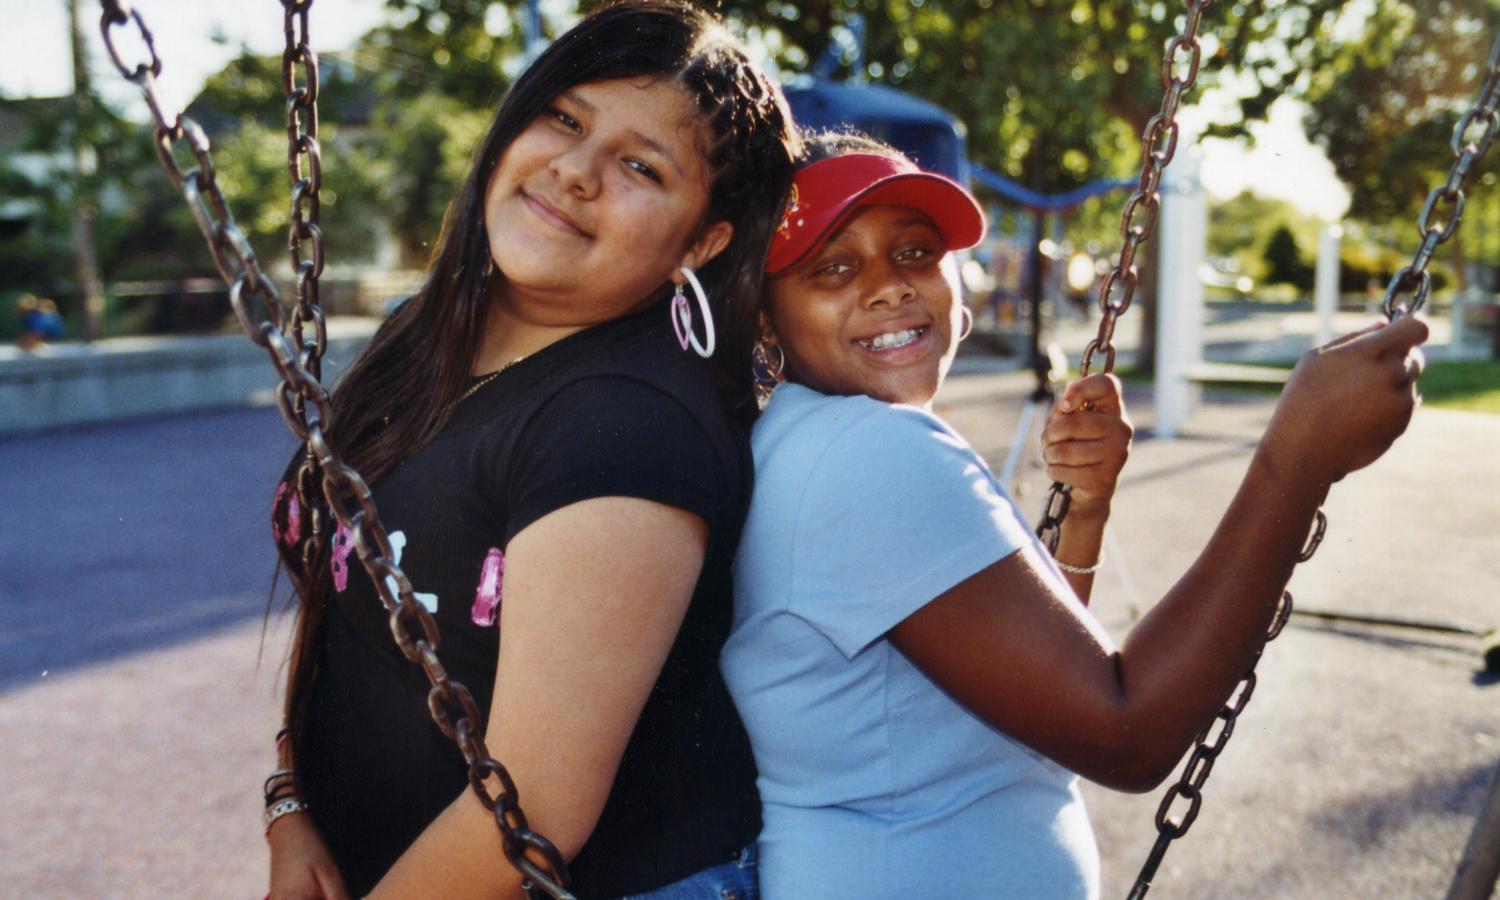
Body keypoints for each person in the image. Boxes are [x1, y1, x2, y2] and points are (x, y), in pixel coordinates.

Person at [720, 132, 1428, 899]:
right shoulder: (868, 453)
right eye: (834, 267)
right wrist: (1296, 461)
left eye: (915, 253)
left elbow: (1025, 684)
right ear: (765, 316)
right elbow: (1125, 733)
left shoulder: (806, 439)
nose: (889, 287)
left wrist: (1081, 516)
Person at [263, 4, 797, 898]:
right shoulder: (428, 334)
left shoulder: (625, 427)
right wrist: (290, 802)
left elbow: (532, 810)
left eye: (639, 165)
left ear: (700, 243)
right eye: (564, 118)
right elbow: (342, 596)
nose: (575, 171)